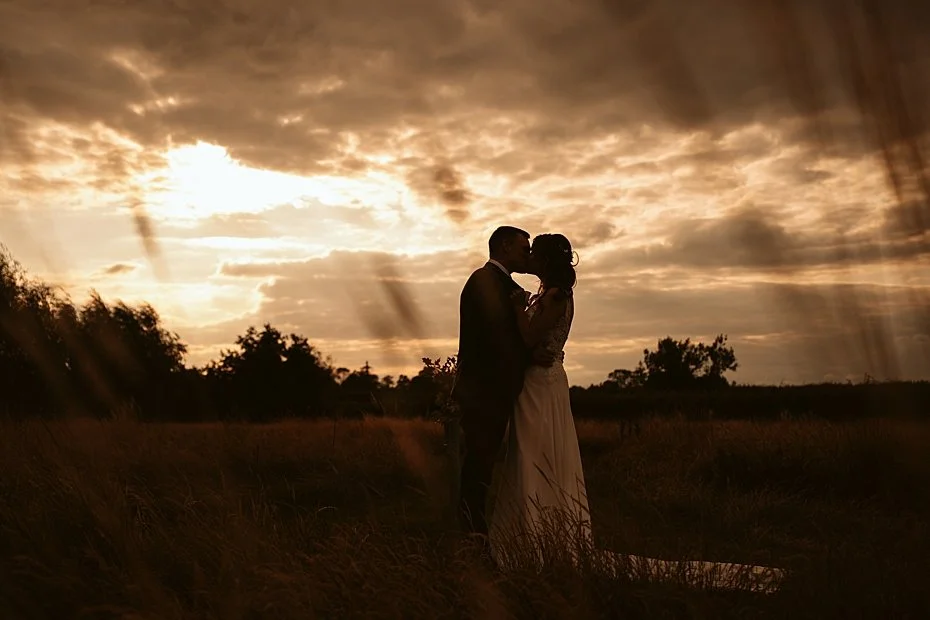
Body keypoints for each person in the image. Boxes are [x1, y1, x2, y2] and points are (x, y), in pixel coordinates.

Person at [450, 226, 554, 543]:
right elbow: (495, 338)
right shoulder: (484, 281)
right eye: (524, 249)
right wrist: (531, 353)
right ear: (505, 246)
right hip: (483, 391)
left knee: (483, 464)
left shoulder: (503, 285)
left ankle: (474, 530)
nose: (528, 255)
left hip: (494, 390)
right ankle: (472, 535)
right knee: (478, 465)